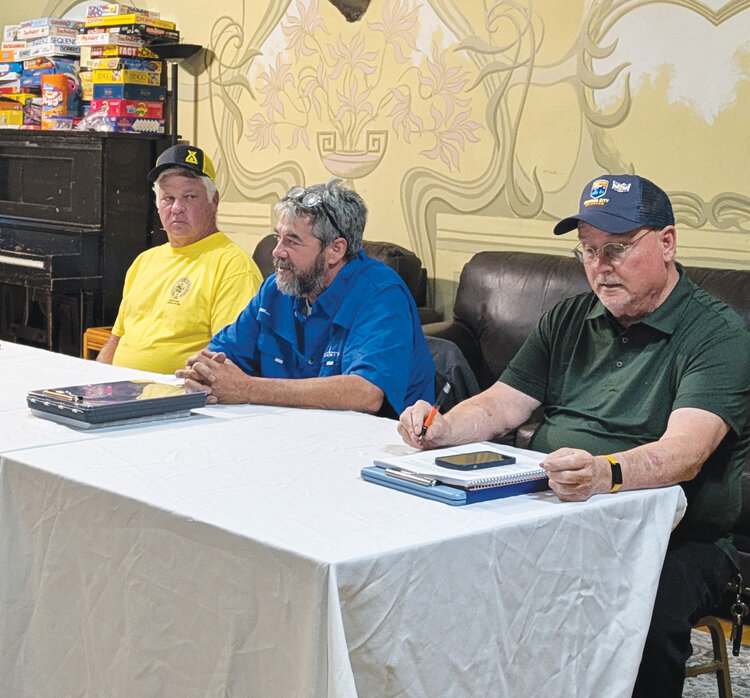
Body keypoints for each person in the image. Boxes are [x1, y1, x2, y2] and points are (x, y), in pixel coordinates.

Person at [398, 174, 750, 698]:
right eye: (586, 251)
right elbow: (501, 403)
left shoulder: (718, 335)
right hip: (557, 508)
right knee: (448, 573)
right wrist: (442, 427)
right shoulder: (569, 316)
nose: (599, 267)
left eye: (616, 249)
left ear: (667, 243)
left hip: (677, 534)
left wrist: (604, 473)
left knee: (639, 616)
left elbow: (684, 455)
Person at [177, 178, 435, 417]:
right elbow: (218, 355)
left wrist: (247, 389)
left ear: (335, 250)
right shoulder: (277, 289)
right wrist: (205, 372)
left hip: (367, 445)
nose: (277, 252)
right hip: (287, 433)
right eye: (278, 237)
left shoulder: (381, 293)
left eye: (292, 241)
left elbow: (366, 393)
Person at [97, 144, 262, 374]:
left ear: (213, 201)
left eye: (189, 196)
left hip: (178, 398)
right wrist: (95, 382)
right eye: (168, 198)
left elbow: (227, 361)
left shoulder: (233, 267)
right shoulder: (144, 261)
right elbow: (116, 340)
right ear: (157, 205)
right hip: (121, 393)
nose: (176, 208)